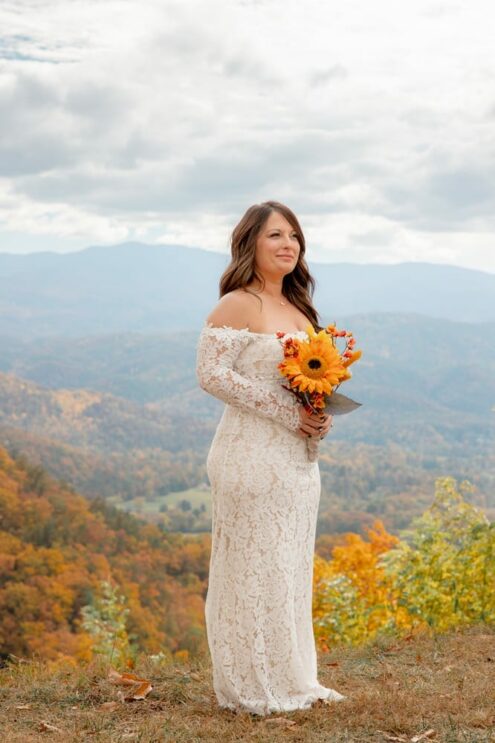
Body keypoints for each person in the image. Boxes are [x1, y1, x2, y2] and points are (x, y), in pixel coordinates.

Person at [195, 200, 345, 715]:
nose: (288, 245)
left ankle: (292, 677)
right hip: (249, 456)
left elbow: (310, 380)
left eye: (294, 237)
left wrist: (317, 416)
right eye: (275, 236)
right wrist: (286, 414)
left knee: (288, 566)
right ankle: (248, 684)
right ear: (250, 244)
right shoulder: (240, 302)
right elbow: (211, 374)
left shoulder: (301, 310)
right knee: (250, 567)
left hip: (297, 461)